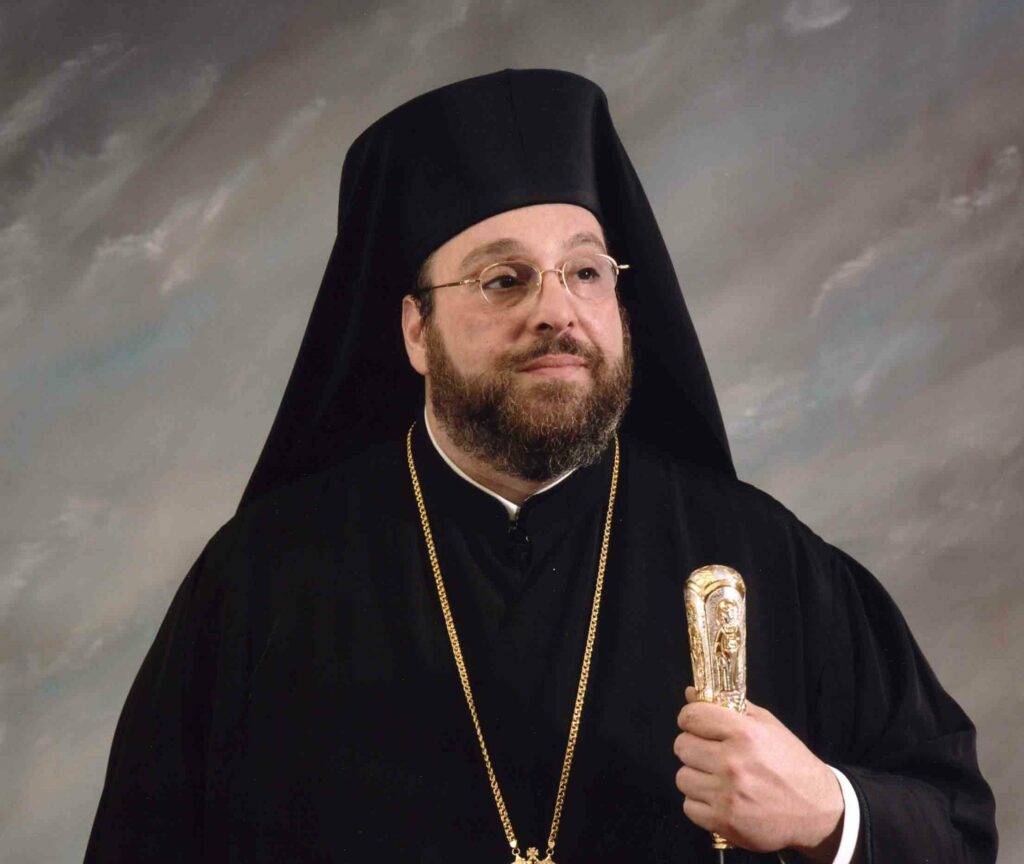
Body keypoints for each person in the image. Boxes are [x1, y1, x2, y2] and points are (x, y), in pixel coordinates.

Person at [85, 69, 997, 863]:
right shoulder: (260, 585)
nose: (558, 312)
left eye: (586, 272)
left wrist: (829, 812)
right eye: (503, 279)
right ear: (415, 330)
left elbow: (955, 827)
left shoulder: (763, 557)